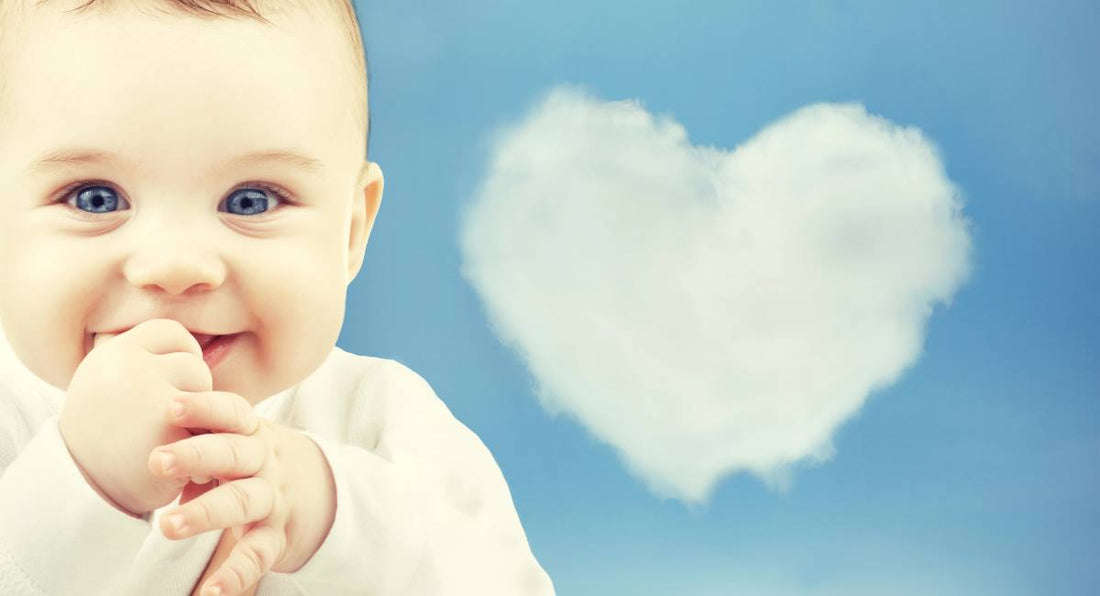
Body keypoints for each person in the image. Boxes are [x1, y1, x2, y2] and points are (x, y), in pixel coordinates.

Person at [0, 1, 555, 594]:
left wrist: (335, 516)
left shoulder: (380, 421)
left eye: (251, 201)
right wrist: (80, 482)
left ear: (349, 232)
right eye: (94, 199)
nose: (176, 266)